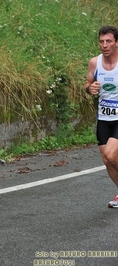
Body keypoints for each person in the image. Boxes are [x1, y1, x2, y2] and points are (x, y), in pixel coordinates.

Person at [85, 25, 118, 208]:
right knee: (106, 159)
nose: (104, 45)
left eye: (108, 41)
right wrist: (90, 89)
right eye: (101, 41)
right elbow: (87, 83)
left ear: (116, 43)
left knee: (112, 156)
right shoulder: (94, 63)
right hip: (104, 117)